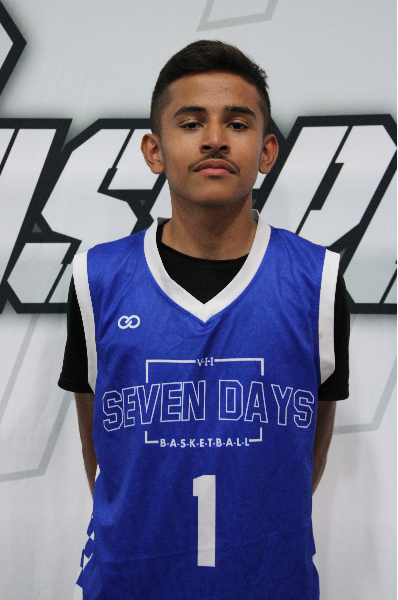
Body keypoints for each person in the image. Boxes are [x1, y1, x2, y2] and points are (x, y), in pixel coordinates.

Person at [59, 40, 350, 600]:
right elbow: (102, 446)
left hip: (270, 584)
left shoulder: (318, 280)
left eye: (237, 123)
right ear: (154, 151)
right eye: (191, 122)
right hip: (130, 582)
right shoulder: (97, 278)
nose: (215, 138)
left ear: (266, 151)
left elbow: (307, 448)